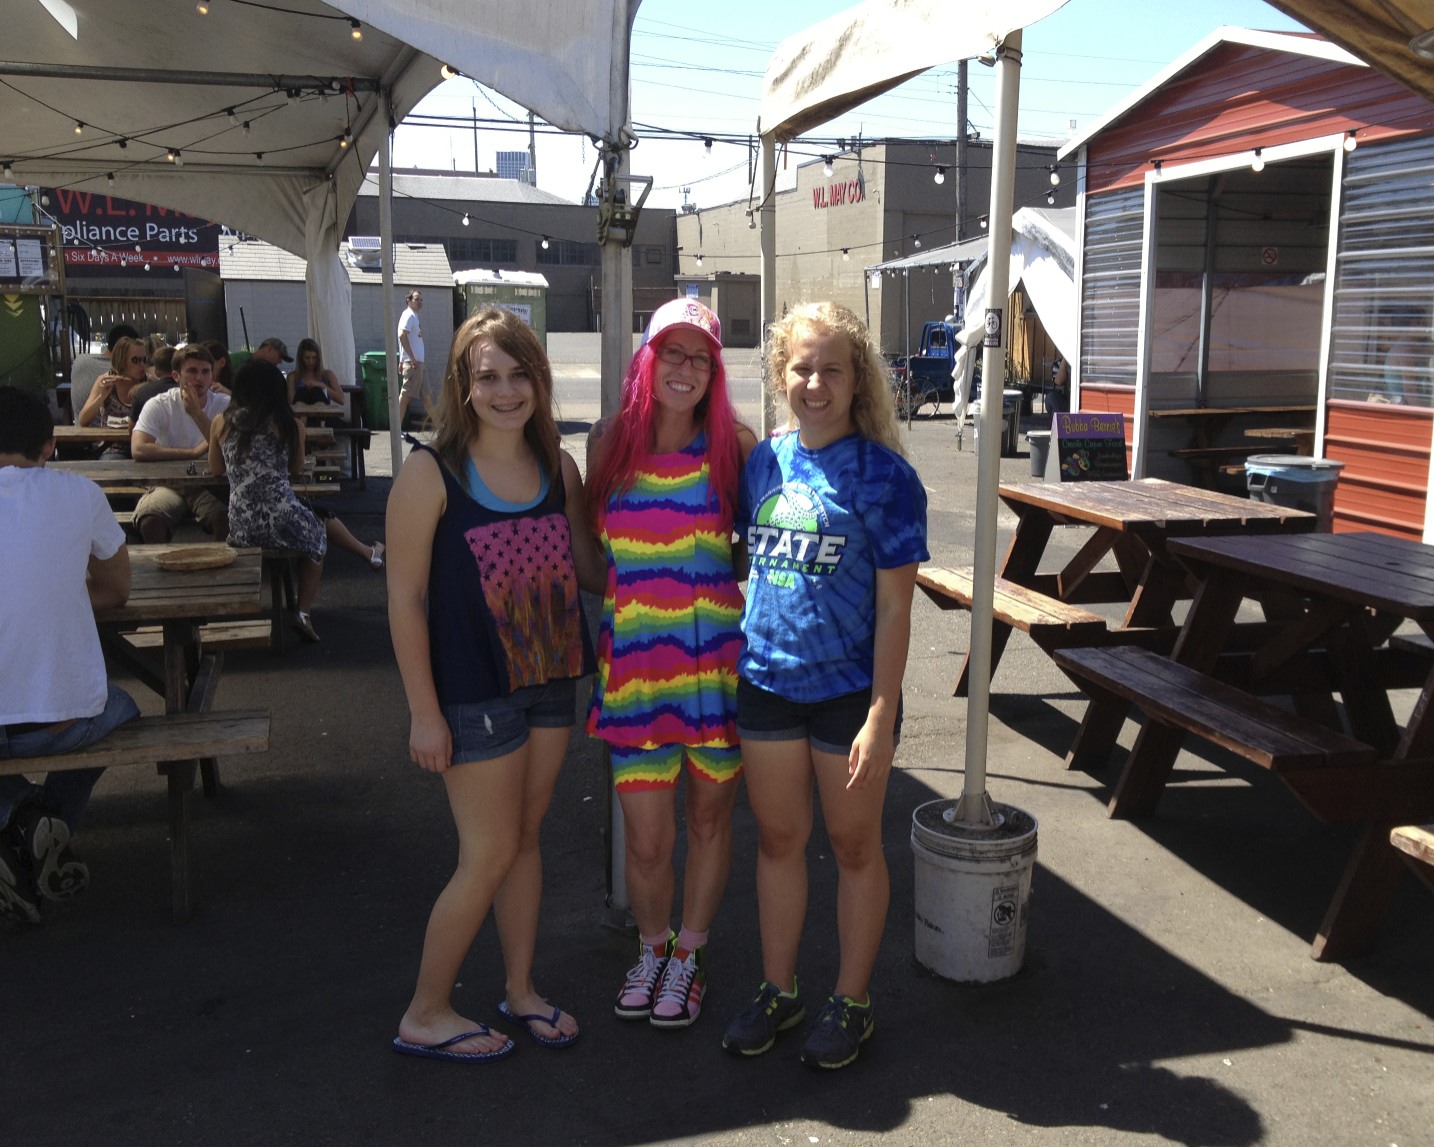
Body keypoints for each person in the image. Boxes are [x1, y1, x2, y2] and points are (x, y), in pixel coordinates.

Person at [386, 306, 604, 1063]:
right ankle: (425, 1011)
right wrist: (423, 712)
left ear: (539, 382)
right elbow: (405, 598)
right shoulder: (430, 472)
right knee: (488, 851)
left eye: (519, 375)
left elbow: (589, 567)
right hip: (473, 692)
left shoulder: (559, 468)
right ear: (462, 385)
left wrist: (681, 551)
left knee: (524, 840)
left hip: (551, 680)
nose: (506, 391)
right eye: (488, 377)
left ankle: (521, 990)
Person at [721, 301, 928, 1070]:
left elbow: (896, 607)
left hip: (850, 694)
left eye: (832, 369)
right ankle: (779, 990)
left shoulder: (886, 477)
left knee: (853, 845)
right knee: (778, 840)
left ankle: (851, 999)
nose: (815, 383)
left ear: (857, 378)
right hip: (768, 682)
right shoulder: (764, 463)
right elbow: (748, 562)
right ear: (782, 374)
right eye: (802, 368)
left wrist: (881, 714)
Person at [585, 298, 757, 1030]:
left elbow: (755, 551)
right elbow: (591, 553)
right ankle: (651, 948)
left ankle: (689, 955)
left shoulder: (735, 445)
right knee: (649, 839)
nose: (685, 369)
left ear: (714, 371)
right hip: (634, 676)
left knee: (709, 822)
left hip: (715, 672)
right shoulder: (606, 441)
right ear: (647, 359)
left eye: (700, 358)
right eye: (672, 353)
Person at [0, 386, 140, 925]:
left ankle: (19, 819)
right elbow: (117, 590)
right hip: (58, 723)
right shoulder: (80, 494)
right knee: (123, 706)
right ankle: (38, 829)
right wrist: (60, 592)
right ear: (49, 445)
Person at [208, 360, 384, 643]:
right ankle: (302, 613)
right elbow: (297, 469)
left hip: (240, 523)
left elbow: (216, 469)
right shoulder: (289, 424)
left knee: (314, 520)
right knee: (317, 539)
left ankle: (366, 555)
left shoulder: (220, 422)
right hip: (281, 513)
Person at [131, 344, 230, 544]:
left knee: (226, 521)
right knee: (150, 522)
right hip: (168, 484)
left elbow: (229, 450)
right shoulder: (159, 403)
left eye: (205, 372)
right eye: (192, 371)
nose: (199, 378)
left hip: (210, 485)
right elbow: (138, 449)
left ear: (213, 375)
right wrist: (192, 453)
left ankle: (214, 563)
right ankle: (164, 563)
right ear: (176, 376)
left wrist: (197, 414)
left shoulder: (224, 403)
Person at [75, 336, 147, 455]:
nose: (142, 365)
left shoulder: (149, 382)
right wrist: (101, 396)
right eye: (136, 360)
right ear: (122, 361)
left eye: (144, 360)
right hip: (113, 447)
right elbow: (83, 420)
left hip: (142, 446)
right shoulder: (106, 381)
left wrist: (149, 387)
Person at [70, 322, 140, 416]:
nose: (141, 364)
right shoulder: (118, 371)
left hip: (80, 424)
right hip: (106, 424)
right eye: (136, 359)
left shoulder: (80, 360)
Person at [396, 289, 430, 427]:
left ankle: (441, 428)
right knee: (405, 397)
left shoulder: (414, 316)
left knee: (427, 397)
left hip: (419, 364)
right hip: (413, 364)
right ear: (408, 300)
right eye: (416, 299)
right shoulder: (408, 315)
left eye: (421, 299)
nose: (420, 302)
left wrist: (401, 360)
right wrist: (411, 358)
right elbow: (402, 335)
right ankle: (396, 429)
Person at [286, 338, 344, 407]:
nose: (311, 362)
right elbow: (290, 402)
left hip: (322, 411)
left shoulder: (327, 375)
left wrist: (322, 386)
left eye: (314, 358)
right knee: (302, 392)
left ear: (319, 358)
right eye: (307, 358)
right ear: (301, 358)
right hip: (300, 411)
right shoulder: (293, 376)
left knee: (317, 392)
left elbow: (341, 400)